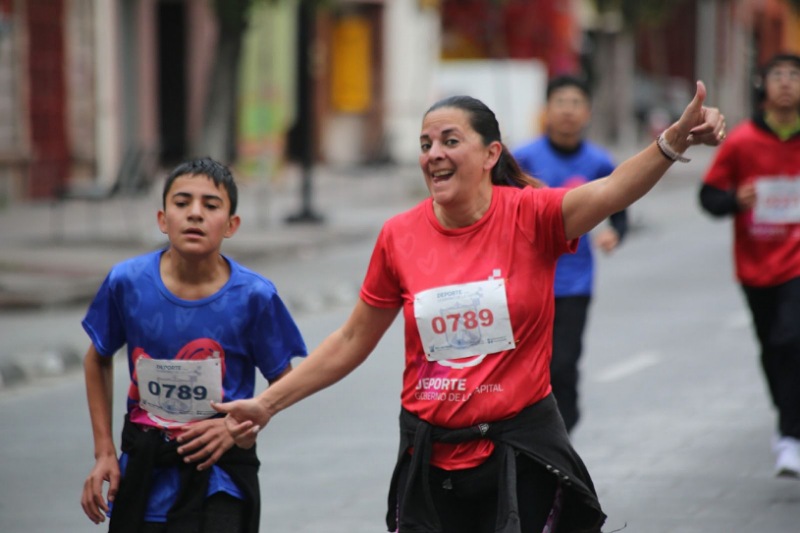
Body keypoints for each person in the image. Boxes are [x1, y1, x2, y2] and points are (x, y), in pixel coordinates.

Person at [214, 84, 724, 532]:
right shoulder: (399, 236)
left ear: (489, 154)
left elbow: (613, 190)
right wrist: (267, 404)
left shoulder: (532, 215)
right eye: (425, 144)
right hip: (429, 457)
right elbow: (351, 339)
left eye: (449, 141)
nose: (434, 154)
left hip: (518, 453)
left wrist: (672, 141)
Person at [80, 157, 307, 532]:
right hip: (144, 469)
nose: (195, 214)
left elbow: (285, 379)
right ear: (162, 219)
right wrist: (104, 451)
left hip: (220, 476)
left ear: (231, 225)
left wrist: (236, 426)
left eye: (211, 205)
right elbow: (97, 358)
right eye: (182, 203)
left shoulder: (255, 296)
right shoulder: (127, 283)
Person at [699, 52, 800, 478]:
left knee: (792, 337)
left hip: (797, 263)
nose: (786, 83)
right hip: (756, 265)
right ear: (763, 84)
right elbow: (708, 197)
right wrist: (734, 200)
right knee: (773, 346)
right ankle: (788, 414)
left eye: (794, 75)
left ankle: (790, 434)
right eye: (778, 75)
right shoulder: (742, 141)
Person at [512, 75, 627, 433]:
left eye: (575, 103)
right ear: (546, 110)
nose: (567, 111)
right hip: (527, 281)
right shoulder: (523, 158)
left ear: (587, 112)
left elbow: (620, 207)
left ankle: (563, 433)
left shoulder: (599, 162)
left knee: (562, 365)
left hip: (574, 283)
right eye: (560, 102)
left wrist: (614, 233)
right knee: (527, 367)